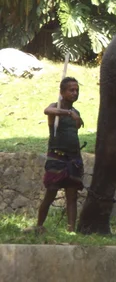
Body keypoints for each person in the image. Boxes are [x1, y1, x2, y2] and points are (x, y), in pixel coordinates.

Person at [31, 77, 85, 233]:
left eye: (77, 90)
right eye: (71, 90)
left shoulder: (76, 112)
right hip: (57, 158)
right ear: (62, 92)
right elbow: (47, 111)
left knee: (72, 195)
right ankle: (39, 226)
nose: (75, 93)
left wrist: (74, 116)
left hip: (73, 159)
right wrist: (68, 113)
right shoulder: (55, 109)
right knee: (51, 193)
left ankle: (71, 230)